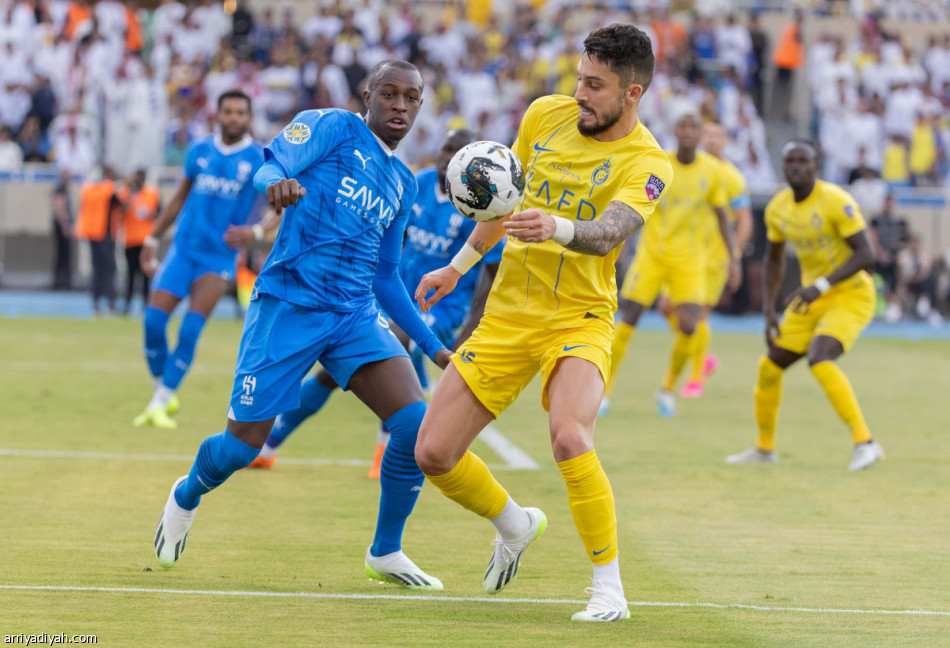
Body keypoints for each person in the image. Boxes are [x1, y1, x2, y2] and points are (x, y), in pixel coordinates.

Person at [153, 60, 452, 592]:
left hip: (354, 313)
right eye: (390, 94)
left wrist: (432, 347)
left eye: (411, 98)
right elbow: (272, 166)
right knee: (241, 447)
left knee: (413, 423)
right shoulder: (332, 126)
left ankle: (386, 550)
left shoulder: (402, 183)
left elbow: (387, 278)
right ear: (368, 95)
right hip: (288, 304)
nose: (400, 106)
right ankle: (187, 492)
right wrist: (279, 184)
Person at [413, 24, 673, 621]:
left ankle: (609, 587)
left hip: (580, 317)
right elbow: (499, 206)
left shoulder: (649, 163)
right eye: (579, 78)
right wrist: (456, 268)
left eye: (595, 86)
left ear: (631, 94)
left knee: (570, 436)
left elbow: (610, 232)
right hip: (508, 314)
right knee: (433, 453)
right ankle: (515, 523)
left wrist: (553, 227)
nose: (579, 93)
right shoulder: (543, 117)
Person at [247, 128, 504, 478]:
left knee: (395, 341)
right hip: (395, 296)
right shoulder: (418, 183)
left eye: (459, 152)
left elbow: (490, 275)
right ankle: (272, 444)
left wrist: (468, 334)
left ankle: (385, 451)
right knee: (330, 375)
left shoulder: (482, 201)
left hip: (440, 309)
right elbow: (388, 244)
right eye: (446, 150)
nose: (448, 158)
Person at [725, 140, 884, 471]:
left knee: (820, 359)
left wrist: (821, 285)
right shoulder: (778, 208)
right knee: (769, 367)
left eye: (803, 161)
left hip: (851, 294)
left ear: (816, 167)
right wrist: (769, 312)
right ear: (784, 167)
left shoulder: (835, 201)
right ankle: (764, 449)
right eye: (790, 161)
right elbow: (774, 260)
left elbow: (867, 255)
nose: (796, 167)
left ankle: (866, 443)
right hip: (812, 298)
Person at [133, 90, 270, 429]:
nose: (234, 117)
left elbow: (277, 209)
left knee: (191, 328)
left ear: (249, 118)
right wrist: (152, 236)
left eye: (240, 112)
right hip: (183, 249)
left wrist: (255, 233)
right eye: (228, 111)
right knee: (152, 322)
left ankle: (160, 402)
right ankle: (162, 392)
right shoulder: (200, 151)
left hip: (218, 257)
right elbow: (179, 198)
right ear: (217, 115)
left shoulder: (258, 159)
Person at [602, 110, 739, 418]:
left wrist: (734, 258)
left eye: (694, 127)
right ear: (675, 132)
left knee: (690, 325)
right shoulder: (659, 164)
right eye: (682, 126)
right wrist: (619, 243)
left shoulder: (714, 171)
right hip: (652, 256)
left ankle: (666, 389)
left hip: (690, 260)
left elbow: (722, 217)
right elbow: (637, 207)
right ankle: (606, 391)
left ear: (701, 133)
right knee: (629, 320)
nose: (688, 131)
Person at [678, 121, 752, 398]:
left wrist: (734, 256)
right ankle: (704, 358)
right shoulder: (690, 170)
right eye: (706, 134)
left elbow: (744, 221)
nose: (710, 140)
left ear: (725, 141)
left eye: (716, 136)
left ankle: (696, 377)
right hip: (685, 253)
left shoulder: (731, 177)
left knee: (700, 315)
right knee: (666, 307)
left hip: (714, 257)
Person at [75, 166, 124, 315]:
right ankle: (110, 302)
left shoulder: (87, 190)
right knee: (109, 268)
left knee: (97, 269)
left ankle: (96, 302)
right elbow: (120, 201)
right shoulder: (107, 189)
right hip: (104, 233)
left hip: (92, 232)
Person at [121, 169, 160, 315]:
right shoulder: (128, 192)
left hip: (145, 239)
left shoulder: (152, 193)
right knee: (131, 274)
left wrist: (149, 213)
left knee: (145, 275)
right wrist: (131, 194)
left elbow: (159, 212)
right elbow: (121, 208)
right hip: (130, 239)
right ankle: (127, 305)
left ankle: (146, 304)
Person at [868, 193, 909, 322]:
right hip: (878, 259)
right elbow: (872, 237)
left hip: (894, 258)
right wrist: (880, 253)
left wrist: (898, 255)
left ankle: (895, 308)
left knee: (895, 283)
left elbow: (904, 241)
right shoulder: (876, 220)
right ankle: (874, 309)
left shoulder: (899, 221)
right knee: (876, 284)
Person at [51, 170, 74, 291]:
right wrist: (65, 224)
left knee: (63, 255)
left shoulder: (63, 190)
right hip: (61, 227)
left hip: (62, 225)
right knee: (62, 254)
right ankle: (61, 282)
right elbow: (59, 207)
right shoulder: (60, 190)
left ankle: (62, 281)